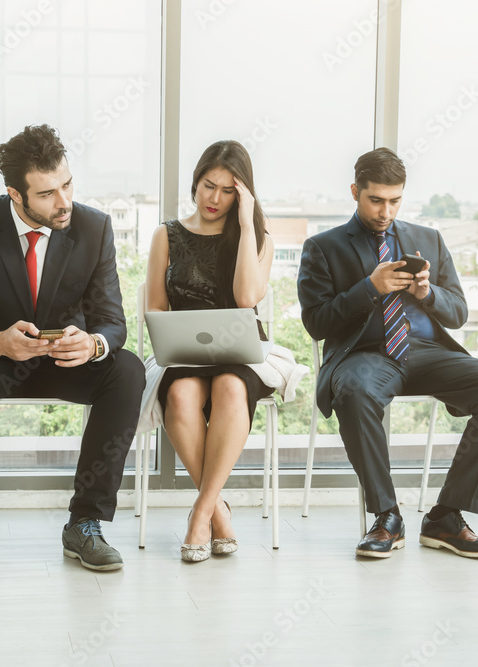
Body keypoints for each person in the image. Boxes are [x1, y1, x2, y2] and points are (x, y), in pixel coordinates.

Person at [0, 124, 145, 575]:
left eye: (67, 184)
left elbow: (112, 321)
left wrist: (94, 343)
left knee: (128, 369)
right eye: (47, 193)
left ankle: (86, 523)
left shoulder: (93, 227)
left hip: (66, 362)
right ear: (15, 195)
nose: (63, 202)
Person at [297, 147, 478, 559]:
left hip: (426, 351)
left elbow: (458, 312)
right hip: (367, 354)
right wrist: (370, 288)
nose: (386, 211)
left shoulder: (428, 239)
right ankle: (387, 517)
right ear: (355, 192)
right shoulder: (322, 247)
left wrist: (427, 292)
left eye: (395, 200)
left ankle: (446, 517)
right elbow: (317, 322)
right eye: (376, 200)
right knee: (356, 392)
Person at [140, 140, 307, 562]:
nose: (214, 199)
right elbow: (156, 308)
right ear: (195, 183)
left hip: (240, 351)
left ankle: (201, 514)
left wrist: (248, 225)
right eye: (207, 186)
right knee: (180, 395)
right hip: (182, 353)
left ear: (243, 193)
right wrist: (170, 337)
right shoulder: (167, 234)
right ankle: (218, 510)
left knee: (232, 387)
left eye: (228, 191)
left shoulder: (256, 236)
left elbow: (247, 295)